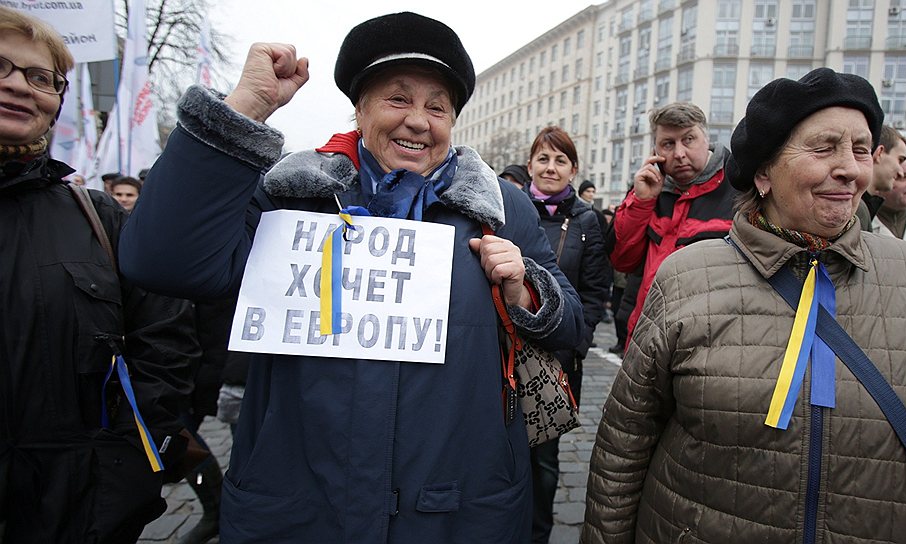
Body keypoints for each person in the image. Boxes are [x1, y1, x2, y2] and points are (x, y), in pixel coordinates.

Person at [118, 11, 584, 543]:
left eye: (438, 107)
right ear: (358, 109)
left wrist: (524, 289)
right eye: (398, 99)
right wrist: (244, 110)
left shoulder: (501, 208)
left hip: (458, 511)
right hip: (298, 509)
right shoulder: (290, 195)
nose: (418, 120)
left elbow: (572, 324)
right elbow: (161, 260)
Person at [582, 67, 906, 543]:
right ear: (764, 171)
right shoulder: (686, 277)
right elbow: (623, 450)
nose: (849, 167)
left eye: (861, 149)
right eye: (824, 148)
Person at [0, 8, 198, 542]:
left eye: (41, 78)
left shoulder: (100, 219)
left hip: (83, 509)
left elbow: (165, 342)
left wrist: (132, 462)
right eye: (1, 68)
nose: (20, 87)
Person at [523, 126, 610, 544]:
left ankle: (538, 533)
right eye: (543, 158)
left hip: (559, 357)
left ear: (573, 170)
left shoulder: (587, 221)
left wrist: (577, 342)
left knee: (544, 457)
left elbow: (595, 291)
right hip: (506, 352)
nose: (550, 167)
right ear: (530, 166)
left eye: (560, 160)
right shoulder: (511, 211)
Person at [609, 102, 737, 346]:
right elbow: (623, 260)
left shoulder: (738, 187)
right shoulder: (646, 189)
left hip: (711, 342)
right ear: (655, 150)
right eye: (668, 144)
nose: (679, 153)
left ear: (706, 138)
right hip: (646, 336)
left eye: (688, 139)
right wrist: (641, 202)